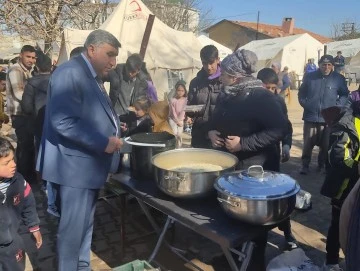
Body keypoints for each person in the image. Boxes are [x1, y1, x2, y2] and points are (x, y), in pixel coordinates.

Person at [37, 29, 123, 271]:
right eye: (110, 55)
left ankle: (82, 266)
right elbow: (63, 121)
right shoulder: (70, 72)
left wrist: (115, 125)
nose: (113, 63)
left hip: (87, 167)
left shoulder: (89, 74)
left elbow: (87, 114)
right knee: (72, 232)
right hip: (75, 169)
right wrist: (103, 142)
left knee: (85, 227)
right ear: (92, 49)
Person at [207, 49, 288, 269]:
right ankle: (230, 259)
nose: (220, 75)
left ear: (235, 76)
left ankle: (253, 265)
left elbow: (280, 128)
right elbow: (213, 121)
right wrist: (211, 132)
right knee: (231, 218)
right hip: (231, 168)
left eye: (224, 72)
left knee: (253, 226)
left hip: (257, 171)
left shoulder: (262, 98)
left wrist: (244, 143)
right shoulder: (228, 94)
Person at [257, 67, 297, 250]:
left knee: (279, 196)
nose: (272, 92)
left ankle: (287, 232)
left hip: (272, 156)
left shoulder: (278, 102)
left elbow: (286, 126)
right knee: (257, 200)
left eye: (274, 88)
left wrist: (287, 145)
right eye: (267, 88)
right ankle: (258, 238)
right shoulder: (248, 103)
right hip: (254, 160)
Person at [320, 100, 360, 271]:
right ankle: (331, 261)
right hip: (344, 187)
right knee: (337, 224)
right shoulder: (348, 124)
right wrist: (356, 168)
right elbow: (338, 156)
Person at [20, 53, 59, 217]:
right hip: (56, 124)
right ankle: (55, 186)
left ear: (37, 67)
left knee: (41, 154)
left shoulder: (31, 83)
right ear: (50, 66)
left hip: (38, 124)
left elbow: (27, 107)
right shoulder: (58, 80)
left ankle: (43, 185)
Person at [298, 55, 349, 175]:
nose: (326, 67)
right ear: (319, 64)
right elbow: (302, 92)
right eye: (323, 64)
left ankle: (322, 165)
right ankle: (305, 165)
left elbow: (344, 95)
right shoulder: (310, 77)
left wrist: (337, 107)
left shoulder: (339, 79)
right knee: (307, 143)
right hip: (310, 116)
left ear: (332, 66)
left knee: (326, 145)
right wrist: (306, 104)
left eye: (329, 65)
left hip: (328, 119)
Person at [0, 137, 42, 271]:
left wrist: (34, 226)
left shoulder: (19, 182)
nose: (13, 165)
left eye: (13, 159)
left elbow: (28, 204)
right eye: (6, 162)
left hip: (13, 243)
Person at [6, 45, 37, 183]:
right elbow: (20, 94)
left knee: (27, 146)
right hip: (20, 115)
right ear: (21, 55)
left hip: (27, 114)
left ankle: (26, 176)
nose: (31, 60)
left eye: (33, 57)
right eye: (28, 56)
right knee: (25, 148)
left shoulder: (29, 71)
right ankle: (24, 179)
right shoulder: (16, 70)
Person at [187, 45, 222, 148]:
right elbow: (191, 109)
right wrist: (187, 109)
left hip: (219, 138)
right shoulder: (195, 82)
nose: (208, 67)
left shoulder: (226, 81)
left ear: (218, 60)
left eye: (211, 63)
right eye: (204, 63)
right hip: (199, 136)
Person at [108, 53, 148, 127]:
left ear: (138, 70)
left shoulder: (142, 83)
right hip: (115, 115)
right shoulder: (117, 74)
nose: (130, 73)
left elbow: (141, 100)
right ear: (125, 66)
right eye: (128, 70)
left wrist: (140, 109)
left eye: (133, 72)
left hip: (130, 117)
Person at [169, 80, 187, 148]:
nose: (180, 92)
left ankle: (179, 147)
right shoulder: (173, 100)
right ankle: (173, 147)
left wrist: (180, 121)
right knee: (174, 133)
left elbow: (184, 110)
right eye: (179, 90)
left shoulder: (185, 100)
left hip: (181, 119)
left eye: (182, 91)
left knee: (179, 134)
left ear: (185, 91)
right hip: (172, 119)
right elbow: (173, 112)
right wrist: (176, 121)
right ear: (176, 90)